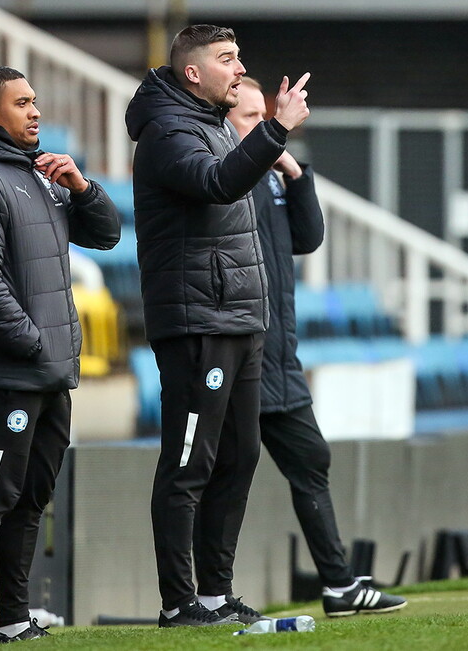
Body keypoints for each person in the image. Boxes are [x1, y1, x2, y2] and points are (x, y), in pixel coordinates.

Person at [125, 24, 311, 628]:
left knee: (240, 454)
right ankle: (178, 601)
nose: (239, 69)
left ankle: (213, 595)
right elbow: (217, 183)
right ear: (192, 73)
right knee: (189, 462)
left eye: (239, 58)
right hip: (197, 318)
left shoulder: (206, 122)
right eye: (227, 59)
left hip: (237, 317)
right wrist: (275, 130)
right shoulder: (167, 129)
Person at [0, 65, 121, 648]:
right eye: (21, 103)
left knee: (32, 496)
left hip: (49, 373)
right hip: (9, 373)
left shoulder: (39, 175)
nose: (35, 111)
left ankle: (15, 616)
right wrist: (35, 342)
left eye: (36, 101)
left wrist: (82, 187)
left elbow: (108, 235)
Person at [227, 77, 407, 617]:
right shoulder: (225, 184)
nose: (261, 127)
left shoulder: (270, 179)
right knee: (221, 478)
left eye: (266, 117)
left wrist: (296, 176)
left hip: (279, 358)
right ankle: (202, 596)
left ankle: (339, 585)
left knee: (310, 460)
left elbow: (308, 239)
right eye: (249, 117)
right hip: (235, 358)